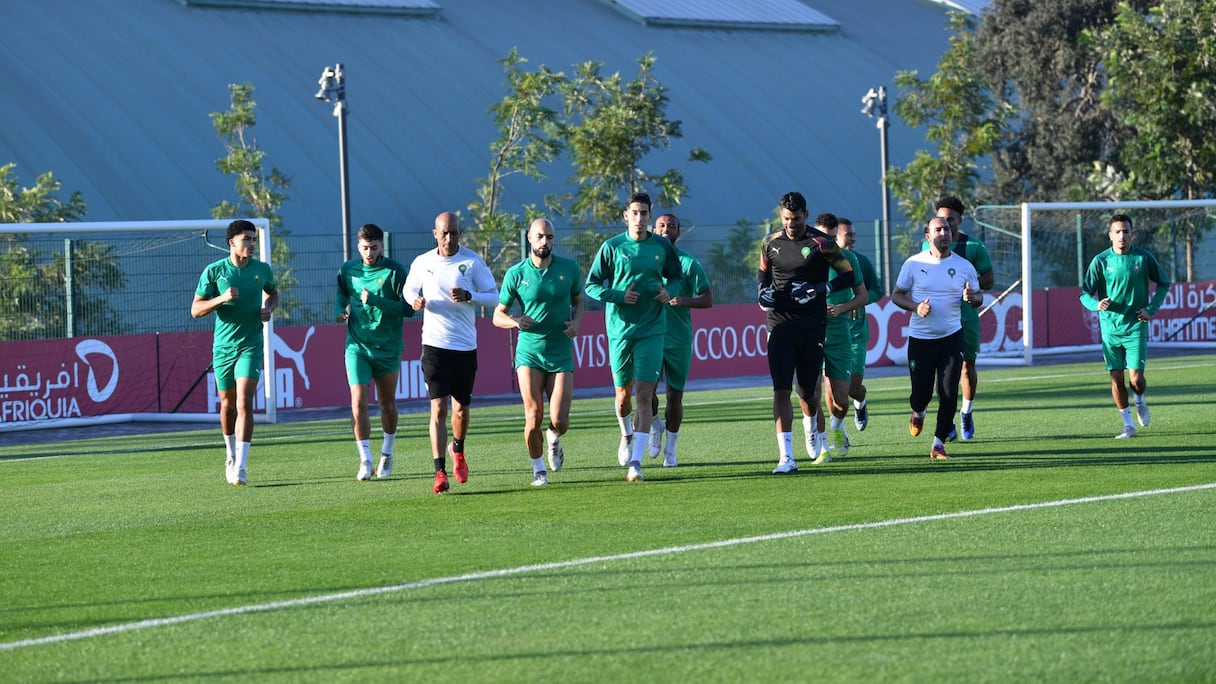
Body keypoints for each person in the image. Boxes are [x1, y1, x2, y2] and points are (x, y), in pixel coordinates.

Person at [585, 191, 683, 482]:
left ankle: (636, 463)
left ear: (650, 216)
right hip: (619, 331)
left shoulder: (661, 246)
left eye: (644, 213)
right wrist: (617, 296)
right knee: (622, 396)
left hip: (652, 329)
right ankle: (626, 433)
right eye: (634, 213)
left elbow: (676, 277)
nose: (639, 219)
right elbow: (591, 285)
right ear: (625, 216)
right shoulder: (612, 247)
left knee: (644, 394)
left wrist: (671, 291)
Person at [759, 192, 855, 474]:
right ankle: (786, 457)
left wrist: (820, 289)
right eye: (786, 219)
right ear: (781, 216)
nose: (791, 224)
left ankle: (812, 425)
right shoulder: (769, 242)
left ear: (806, 214)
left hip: (812, 323)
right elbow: (763, 275)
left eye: (796, 219)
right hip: (778, 322)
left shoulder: (821, 243)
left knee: (807, 392)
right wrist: (761, 294)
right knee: (780, 388)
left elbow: (847, 275)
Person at [404, 211, 499, 494]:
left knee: (461, 410)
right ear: (435, 233)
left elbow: (496, 296)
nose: (449, 238)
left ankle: (458, 449)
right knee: (438, 407)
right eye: (444, 233)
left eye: (454, 232)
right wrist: (415, 301)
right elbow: (408, 291)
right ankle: (439, 471)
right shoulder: (423, 262)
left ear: (460, 233)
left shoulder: (471, 262)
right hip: (434, 345)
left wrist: (472, 296)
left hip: (464, 347)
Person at [493, 218, 585, 486]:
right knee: (533, 416)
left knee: (560, 420)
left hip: (560, 351)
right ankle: (538, 469)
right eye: (541, 237)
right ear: (530, 239)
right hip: (529, 352)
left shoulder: (568, 269)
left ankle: (554, 437)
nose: (546, 242)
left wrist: (576, 323)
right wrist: (515, 321)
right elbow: (498, 316)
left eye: (550, 237)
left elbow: (579, 303)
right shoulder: (516, 273)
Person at [191, 219, 278, 486]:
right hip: (223, 348)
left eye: (253, 239)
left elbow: (273, 293)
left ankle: (241, 465)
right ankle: (230, 455)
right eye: (246, 239)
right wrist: (221, 298)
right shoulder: (214, 271)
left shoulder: (262, 269)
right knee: (227, 405)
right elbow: (195, 310)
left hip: (251, 344)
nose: (252, 244)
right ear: (232, 242)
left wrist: (269, 307)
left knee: (244, 402)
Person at [891, 216, 982, 460]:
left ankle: (938, 443)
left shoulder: (964, 266)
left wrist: (972, 298)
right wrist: (915, 307)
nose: (945, 232)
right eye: (938, 229)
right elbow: (897, 295)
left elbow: (978, 296)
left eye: (947, 229)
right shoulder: (913, 263)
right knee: (920, 395)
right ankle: (918, 412)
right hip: (920, 340)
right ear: (928, 236)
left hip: (952, 337)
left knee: (949, 393)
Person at [1079, 214, 1170, 439]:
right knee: (1116, 378)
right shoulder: (1100, 261)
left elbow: (1164, 283)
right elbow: (1084, 293)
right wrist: (1096, 304)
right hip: (1110, 328)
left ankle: (1139, 398)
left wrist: (1151, 309)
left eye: (1126, 231)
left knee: (1136, 379)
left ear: (1132, 234)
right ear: (1110, 235)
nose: (1122, 236)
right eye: (1117, 232)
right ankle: (1128, 425)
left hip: (1136, 325)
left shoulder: (1143, 258)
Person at [335, 223, 413, 482]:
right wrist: (340, 309)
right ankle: (365, 459)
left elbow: (408, 309)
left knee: (386, 405)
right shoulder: (348, 269)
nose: (369, 253)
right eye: (365, 248)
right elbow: (341, 291)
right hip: (357, 346)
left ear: (382, 246)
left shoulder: (395, 271)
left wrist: (376, 301)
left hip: (388, 348)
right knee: (358, 402)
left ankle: (387, 452)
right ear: (358, 246)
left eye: (374, 247)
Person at [794, 213, 866, 464]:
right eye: (823, 235)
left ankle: (837, 424)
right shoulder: (802, 256)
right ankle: (816, 435)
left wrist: (842, 308)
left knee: (841, 400)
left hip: (838, 332)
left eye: (833, 237)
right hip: (809, 330)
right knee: (809, 390)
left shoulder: (849, 259)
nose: (828, 241)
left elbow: (862, 296)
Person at [645, 213, 713, 468]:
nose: (665, 229)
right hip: (649, 335)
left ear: (678, 232)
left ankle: (671, 450)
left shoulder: (688, 263)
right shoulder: (645, 259)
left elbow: (707, 298)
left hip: (678, 339)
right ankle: (654, 426)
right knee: (646, 392)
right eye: (661, 225)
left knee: (675, 396)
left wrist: (683, 300)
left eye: (670, 226)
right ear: (654, 228)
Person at [928, 197, 994, 441]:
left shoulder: (973, 247)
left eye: (951, 220)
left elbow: (989, 280)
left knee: (967, 366)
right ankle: (948, 421)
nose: (946, 225)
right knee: (942, 371)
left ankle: (966, 412)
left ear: (960, 220)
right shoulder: (928, 249)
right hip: (939, 319)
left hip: (966, 318)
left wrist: (972, 283)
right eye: (942, 220)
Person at [836, 217, 882, 432]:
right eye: (848, 234)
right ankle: (837, 430)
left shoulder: (861, 261)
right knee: (833, 390)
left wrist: (859, 300)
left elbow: (877, 290)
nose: (853, 238)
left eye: (854, 234)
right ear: (835, 236)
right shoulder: (820, 261)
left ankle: (861, 402)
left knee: (853, 388)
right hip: (831, 334)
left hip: (855, 334)